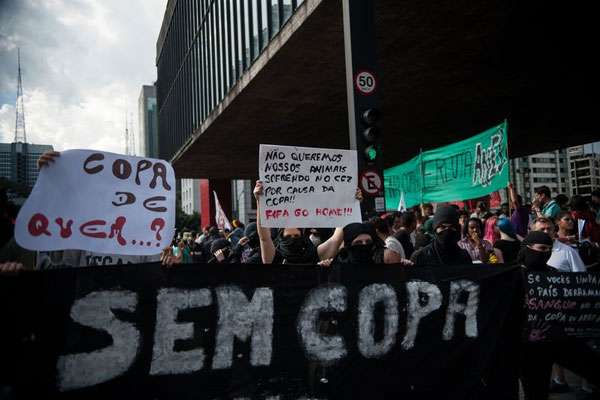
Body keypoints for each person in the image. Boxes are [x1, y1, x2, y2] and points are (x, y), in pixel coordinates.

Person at [253, 181, 320, 264]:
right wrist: (260, 201)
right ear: (281, 237)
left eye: (296, 236)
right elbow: (264, 237)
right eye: (288, 236)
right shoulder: (273, 257)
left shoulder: (311, 255)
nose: (292, 239)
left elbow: (335, 240)